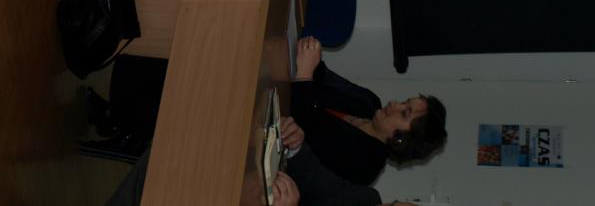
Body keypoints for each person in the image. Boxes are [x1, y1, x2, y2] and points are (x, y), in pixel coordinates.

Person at [104, 114, 417, 206]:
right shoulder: (367, 199)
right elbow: (318, 181)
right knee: (183, 147)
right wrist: (296, 147)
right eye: (393, 205)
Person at [291, 36, 447, 186]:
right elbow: (323, 76)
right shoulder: (370, 102)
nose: (394, 104)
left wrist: (304, 74)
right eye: (404, 102)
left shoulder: (365, 165)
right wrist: (310, 50)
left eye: (404, 113)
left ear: (400, 140)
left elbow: (303, 133)